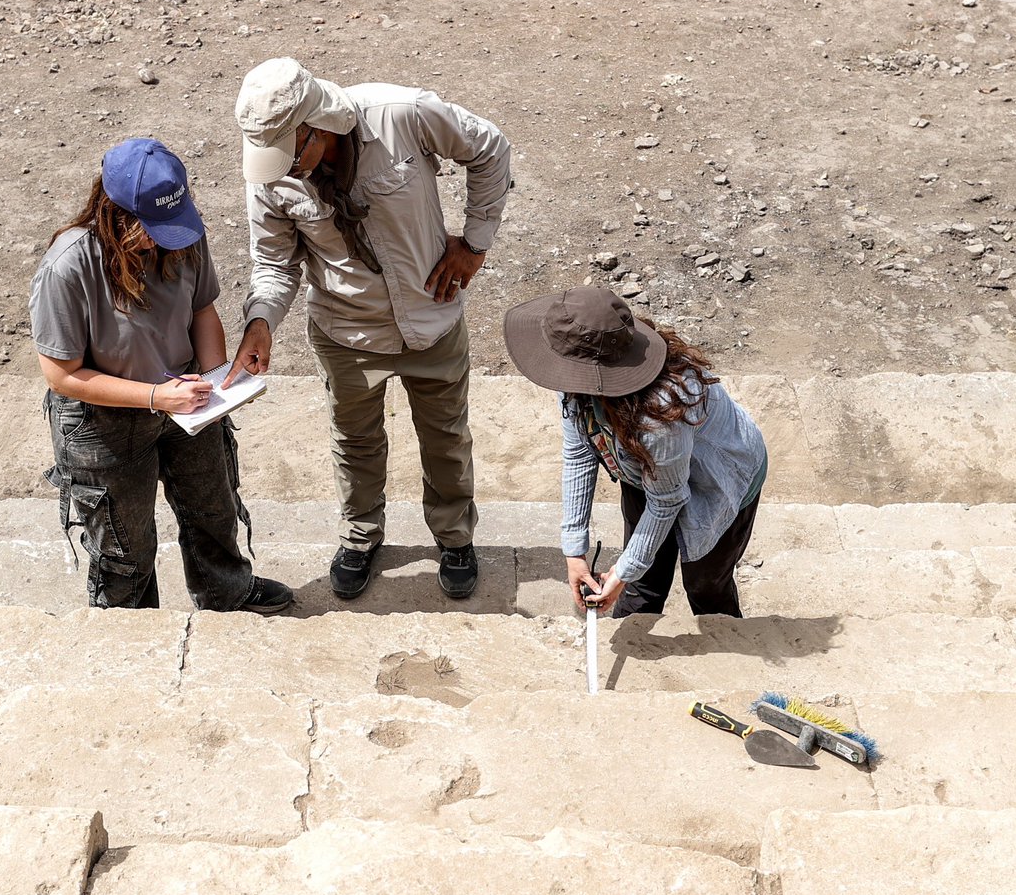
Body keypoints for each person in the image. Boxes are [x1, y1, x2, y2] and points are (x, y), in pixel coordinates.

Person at [225, 58, 512, 600]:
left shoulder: (402, 114)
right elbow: (273, 264)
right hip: (346, 331)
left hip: (432, 316)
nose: (282, 170)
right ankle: (359, 536)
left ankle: (454, 539)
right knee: (354, 439)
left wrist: (474, 243)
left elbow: (490, 148)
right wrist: (261, 323)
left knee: (446, 438)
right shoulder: (269, 175)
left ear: (317, 125)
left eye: (289, 155)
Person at [30, 136, 293, 614]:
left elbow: (202, 310)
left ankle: (227, 594)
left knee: (213, 510)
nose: (163, 241)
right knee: (123, 547)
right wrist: (156, 396)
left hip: (185, 403)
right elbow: (62, 375)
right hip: (102, 421)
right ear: (113, 215)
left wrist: (216, 385)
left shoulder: (183, 232)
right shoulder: (68, 267)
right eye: (151, 230)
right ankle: (129, 631)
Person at [503, 287, 767, 618]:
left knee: (705, 583)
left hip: (719, 479)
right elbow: (579, 453)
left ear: (595, 374)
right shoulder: (574, 381)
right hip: (643, 469)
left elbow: (667, 500)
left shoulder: (660, 416)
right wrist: (575, 551)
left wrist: (623, 570)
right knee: (642, 580)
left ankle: (723, 635)